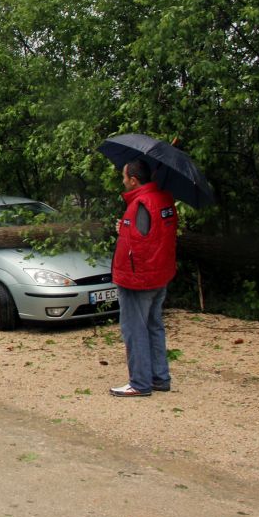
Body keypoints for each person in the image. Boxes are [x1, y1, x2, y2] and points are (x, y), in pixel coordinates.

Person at [110, 159, 178, 397]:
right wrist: (125, 229)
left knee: (134, 329)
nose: (123, 180)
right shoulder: (164, 199)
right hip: (160, 275)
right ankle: (160, 377)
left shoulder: (140, 203)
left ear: (134, 180)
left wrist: (126, 232)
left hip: (139, 280)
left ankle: (139, 382)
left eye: (124, 176)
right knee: (154, 326)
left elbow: (138, 245)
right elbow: (153, 235)